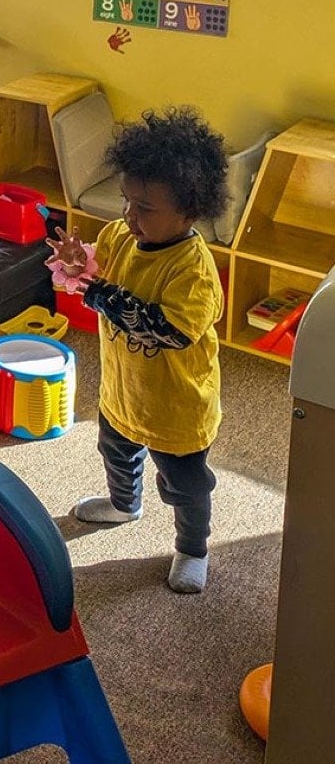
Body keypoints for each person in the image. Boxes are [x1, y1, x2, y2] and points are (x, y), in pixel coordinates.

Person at [46, 106, 229, 594]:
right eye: (127, 200)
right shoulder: (118, 234)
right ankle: (124, 504)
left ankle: (193, 547)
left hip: (177, 407)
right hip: (124, 390)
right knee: (116, 451)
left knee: (185, 485)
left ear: (190, 211)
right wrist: (76, 263)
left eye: (145, 209)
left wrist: (98, 293)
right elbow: (92, 273)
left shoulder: (193, 269)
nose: (130, 215)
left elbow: (166, 330)